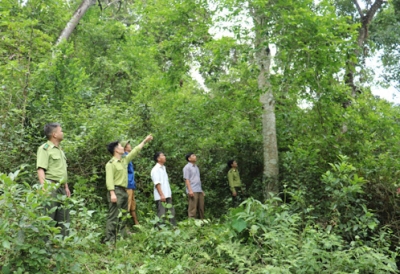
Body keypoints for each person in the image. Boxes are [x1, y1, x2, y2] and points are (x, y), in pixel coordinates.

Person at [104, 135, 153, 243]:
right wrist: (112, 193)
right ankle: (109, 240)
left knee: (123, 216)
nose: (122, 147)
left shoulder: (124, 161)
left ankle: (120, 238)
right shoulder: (110, 164)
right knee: (113, 216)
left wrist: (144, 141)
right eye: (120, 146)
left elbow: (135, 151)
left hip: (124, 191)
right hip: (116, 191)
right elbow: (109, 180)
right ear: (116, 150)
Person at [36, 122, 71, 238]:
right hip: (51, 187)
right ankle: (46, 249)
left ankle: (60, 248)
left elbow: (62, 170)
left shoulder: (60, 150)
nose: (63, 133)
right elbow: (41, 169)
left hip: (61, 188)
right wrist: (44, 187)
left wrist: (66, 187)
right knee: (49, 218)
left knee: (64, 218)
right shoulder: (45, 149)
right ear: (54, 134)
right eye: (61, 131)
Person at [151, 152, 176, 226]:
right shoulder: (155, 169)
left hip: (167, 194)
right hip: (160, 195)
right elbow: (157, 183)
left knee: (171, 211)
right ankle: (159, 229)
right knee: (162, 213)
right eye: (163, 155)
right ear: (158, 159)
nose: (165, 156)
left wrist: (169, 193)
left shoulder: (163, 168)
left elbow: (166, 182)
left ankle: (173, 227)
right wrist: (161, 195)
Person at [120, 140, 139, 225]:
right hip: (127, 184)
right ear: (125, 147)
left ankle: (136, 223)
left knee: (132, 205)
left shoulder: (127, 156)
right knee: (126, 206)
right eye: (128, 144)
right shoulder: (124, 157)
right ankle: (124, 227)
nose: (130, 146)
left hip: (131, 184)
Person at [183, 153, 204, 219]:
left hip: (199, 189)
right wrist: (190, 190)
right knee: (192, 208)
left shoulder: (196, 167)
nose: (195, 156)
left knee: (201, 207)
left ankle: (202, 223)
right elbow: (187, 179)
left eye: (195, 155)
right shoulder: (187, 167)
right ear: (189, 159)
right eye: (193, 156)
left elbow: (198, 179)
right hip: (193, 190)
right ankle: (192, 224)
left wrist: (201, 190)